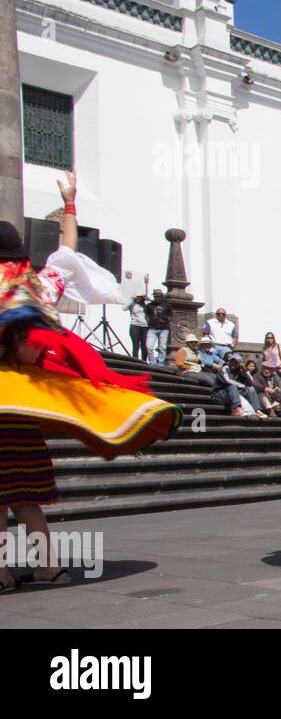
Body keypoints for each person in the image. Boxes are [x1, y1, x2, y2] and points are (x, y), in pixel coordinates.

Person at [0, 172, 180, 592]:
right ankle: (47, 566)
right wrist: (70, 203)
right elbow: (66, 253)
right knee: (26, 499)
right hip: (25, 408)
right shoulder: (37, 286)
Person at [144, 288, 172, 366]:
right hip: (152, 328)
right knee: (149, 346)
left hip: (164, 328)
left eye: (159, 296)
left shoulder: (167, 305)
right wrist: (149, 322)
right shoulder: (149, 305)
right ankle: (152, 362)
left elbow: (170, 316)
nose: (157, 298)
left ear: (161, 296)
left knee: (162, 347)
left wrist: (166, 320)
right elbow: (146, 316)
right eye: (156, 296)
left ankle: (160, 362)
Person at [123, 294, 147, 361]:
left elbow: (154, 303)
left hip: (145, 326)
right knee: (136, 345)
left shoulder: (145, 304)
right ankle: (135, 361)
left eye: (140, 297)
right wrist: (131, 299)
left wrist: (148, 297)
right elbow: (124, 308)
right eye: (137, 297)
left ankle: (144, 361)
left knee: (144, 346)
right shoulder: (132, 304)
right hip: (134, 326)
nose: (138, 299)